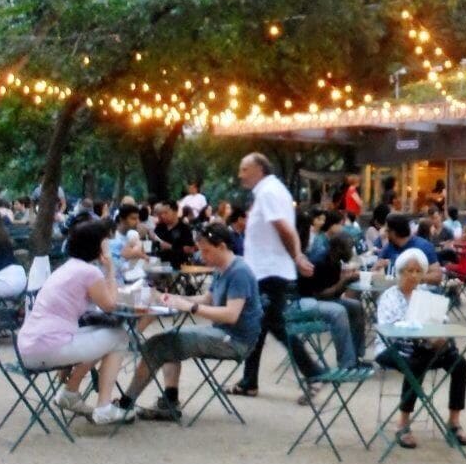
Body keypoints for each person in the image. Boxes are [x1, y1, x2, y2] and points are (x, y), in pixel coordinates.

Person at [117, 223, 262, 420]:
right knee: (169, 339)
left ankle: (126, 404)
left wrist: (190, 307)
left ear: (221, 247)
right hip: (224, 334)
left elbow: (231, 315)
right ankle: (169, 401)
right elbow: (207, 299)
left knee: (156, 346)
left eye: (206, 251)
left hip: (235, 341)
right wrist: (172, 299)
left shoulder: (239, 272)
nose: (202, 257)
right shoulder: (222, 267)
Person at [17, 220, 131, 425]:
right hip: (46, 348)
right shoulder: (90, 272)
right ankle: (104, 407)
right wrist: (110, 268)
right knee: (120, 336)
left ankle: (70, 392)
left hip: (31, 345)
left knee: (99, 333)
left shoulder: (68, 267)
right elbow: (111, 305)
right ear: (98, 246)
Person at [230, 153, 323, 399]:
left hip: (268, 271)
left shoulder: (268, 192)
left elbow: (283, 227)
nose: (241, 175)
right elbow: (288, 229)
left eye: (244, 169)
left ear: (259, 169)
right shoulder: (273, 190)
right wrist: (297, 255)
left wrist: (296, 256)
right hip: (267, 269)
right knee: (259, 327)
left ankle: (313, 372)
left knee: (275, 325)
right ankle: (249, 381)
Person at [375, 248, 466, 450]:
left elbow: (441, 321)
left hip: (425, 348)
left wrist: (439, 336)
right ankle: (403, 423)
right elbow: (388, 329)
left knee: (460, 364)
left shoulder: (425, 295)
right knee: (415, 364)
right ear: (400, 272)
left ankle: (454, 421)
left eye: (418, 271)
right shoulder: (389, 297)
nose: (414, 275)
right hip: (392, 348)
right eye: (409, 271)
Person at [298, 232, 365, 369]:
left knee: (355, 306)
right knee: (338, 311)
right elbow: (321, 294)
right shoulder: (320, 262)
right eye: (349, 248)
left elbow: (335, 293)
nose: (352, 252)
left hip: (324, 300)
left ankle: (356, 357)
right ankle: (347, 364)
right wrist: (344, 280)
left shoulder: (335, 261)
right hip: (307, 302)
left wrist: (347, 280)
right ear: (338, 248)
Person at [375, 213, 443, 285]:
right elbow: (375, 272)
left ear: (393, 232)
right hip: (393, 292)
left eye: (387, 231)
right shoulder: (388, 247)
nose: (385, 234)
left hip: (418, 293)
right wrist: (379, 269)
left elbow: (437, 276)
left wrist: (414, 277)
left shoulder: (423, 246)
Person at [108, 203, 147, 281]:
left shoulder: (135, 234)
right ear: (122, 219)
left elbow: (143, 257)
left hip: (134, 277)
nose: (137, 222)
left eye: (138, 219)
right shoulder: (112, 237)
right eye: (133, 219)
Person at [152, 200, 196, 269]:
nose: (163, 216)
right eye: (161, 213)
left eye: (166, 213)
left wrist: (171, 247)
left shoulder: (184, 228)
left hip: (179, 265)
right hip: (159, 264)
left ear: (175, 212)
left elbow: (190, 249)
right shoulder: (159, 227)